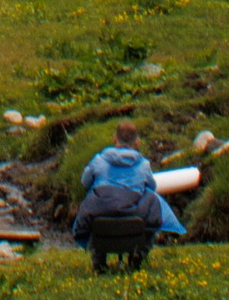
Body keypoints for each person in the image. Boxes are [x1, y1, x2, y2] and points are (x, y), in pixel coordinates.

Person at [68, 113, 187, 271]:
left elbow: (85, 182)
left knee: (92, 198)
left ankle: (99, 259)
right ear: (137, 142)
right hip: (133, 215)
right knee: (152, 199)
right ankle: (138, 256)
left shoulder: (99, 160)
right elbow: (152, 187)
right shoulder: (143, 165)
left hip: (101, 217)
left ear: (114, 139)